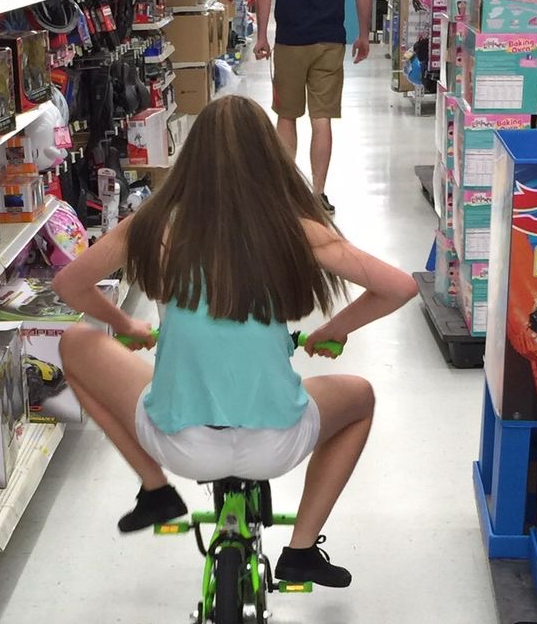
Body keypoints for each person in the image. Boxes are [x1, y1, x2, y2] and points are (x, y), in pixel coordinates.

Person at [48, 95, 418, 589]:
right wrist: (335, 329)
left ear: (192, 160)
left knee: (76, 345)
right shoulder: (297, 230)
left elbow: (70, 285)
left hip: (181, 445)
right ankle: (302, 550)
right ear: (270, 158)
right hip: (276, 444)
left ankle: (156, 489)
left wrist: (128, 325)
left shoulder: (156, 225)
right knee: (361, 399)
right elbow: (399, 286)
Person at [252, 0, 372, 216]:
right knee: (322, 119)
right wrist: (363, 35)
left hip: (291, 41)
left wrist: (262, 35)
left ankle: (288, 195)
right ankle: (318, 195)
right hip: (330, 41)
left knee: (286, 117)